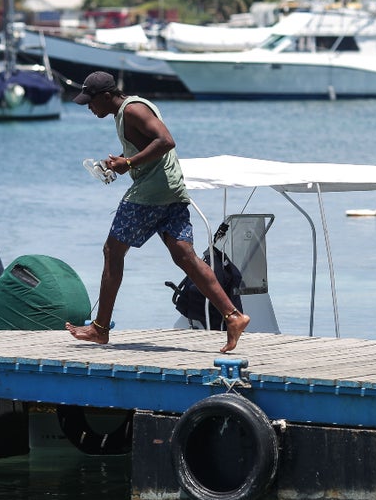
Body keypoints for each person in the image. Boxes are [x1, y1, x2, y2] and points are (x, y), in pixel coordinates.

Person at [66, 71, 250, 353]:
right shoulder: (130, 109)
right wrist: (123, 160)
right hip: (172, 191)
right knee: (184, 256)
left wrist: (128, 162)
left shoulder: (133, 110)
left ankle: (100, 329)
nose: (89, 107)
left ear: (106, 96)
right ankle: (233, 316)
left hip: (150, 194)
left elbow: (165, 140)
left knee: (112, 252)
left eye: (90, 102)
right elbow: (148, 145)